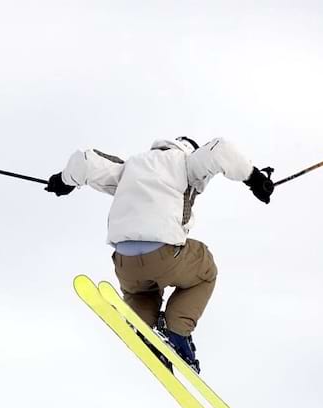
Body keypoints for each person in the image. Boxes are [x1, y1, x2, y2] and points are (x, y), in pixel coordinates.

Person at [45, 136, 274, 372]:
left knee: (141, 291)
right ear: (189, 150)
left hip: (125, 263)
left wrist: (63, 181)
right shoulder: (187, 163)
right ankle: (177, 331)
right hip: (164, 253)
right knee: (205, 269)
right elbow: (220, 150)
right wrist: (255, 179)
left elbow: (85, 161)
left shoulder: (129, 167)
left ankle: (143, 326)